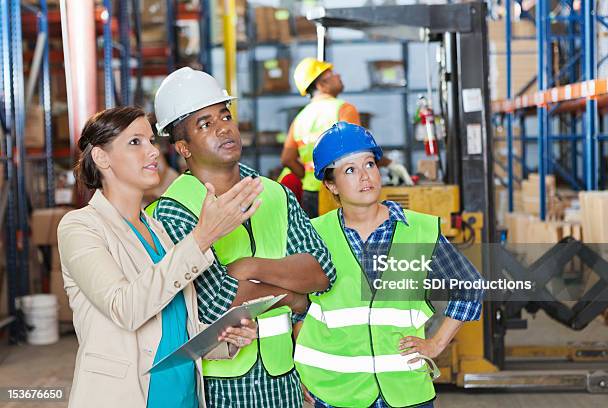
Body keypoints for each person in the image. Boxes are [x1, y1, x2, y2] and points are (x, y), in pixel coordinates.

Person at [146, 67, 336, 408]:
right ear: (183, 147)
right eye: (204, 124)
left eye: (225, 116)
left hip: (283, 379)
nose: (223, 128)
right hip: (220, 386)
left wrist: (246, 266)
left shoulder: (275, 193)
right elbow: (216, 301)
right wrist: (292, 298)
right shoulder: (172, 211)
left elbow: (321, 273)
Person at [57, 106, 261, 408]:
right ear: (101, 158)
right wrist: (202, 237)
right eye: (135, 142)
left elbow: (173, 324)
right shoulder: (80, 227)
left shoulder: (158, 230)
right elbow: (125, 307)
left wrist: (223, 338)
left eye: (151, 141)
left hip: (184, 397)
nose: (153, 152)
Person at [294, 122, 484, 408]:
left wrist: (436, 344)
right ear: (331, 184)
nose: (364, 176)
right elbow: (298, 308)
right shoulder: (314, 236)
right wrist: (303, 370)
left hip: (405, 391)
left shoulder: (417, 231)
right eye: (349, 170)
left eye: (369, 164)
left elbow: (470, 287)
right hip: (336, 393)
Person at [281, 57, 411, 218]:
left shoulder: (300, 117)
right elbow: (359, 149)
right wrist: (390, 164)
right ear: (321, 85)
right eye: (332, 74)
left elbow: (287, 158)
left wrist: (311, 176)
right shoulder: (343, 109)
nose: (339, 76)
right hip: (338, 191)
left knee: (318, 239)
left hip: (310, 193)